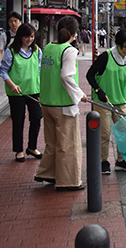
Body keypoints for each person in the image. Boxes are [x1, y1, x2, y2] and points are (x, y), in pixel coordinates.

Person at [34, 16, 88, 191]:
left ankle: (48, 173)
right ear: (75, 33)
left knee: (52, 142)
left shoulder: (48, 47)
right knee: (68, 145)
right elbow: (66, 76)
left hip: (47, 102)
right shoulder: (69, 50)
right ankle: (69, 181)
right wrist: (79, 94)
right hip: (63, 104)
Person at [86, 29, 126, 174]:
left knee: (124, 133)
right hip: (103, 103)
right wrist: (98, 91)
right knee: (104, 134)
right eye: (123, 47)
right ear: (117, 45)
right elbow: (90, 75)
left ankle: (121, 161)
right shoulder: (106, 56)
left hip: (120, 101)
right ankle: (103, 161)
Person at [0, 23, 43, 163]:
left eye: (32, 36)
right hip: (16, 92)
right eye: (26, 36)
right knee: (18, 121)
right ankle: (18, 150)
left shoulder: (37, 51)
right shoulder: (11, 51)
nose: (29, 39)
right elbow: (3, 70)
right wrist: (12, 85)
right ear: (20, 37)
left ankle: (32, 147)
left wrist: (42, 90)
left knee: (36, 117)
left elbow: (40, 71)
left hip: (33, 91)